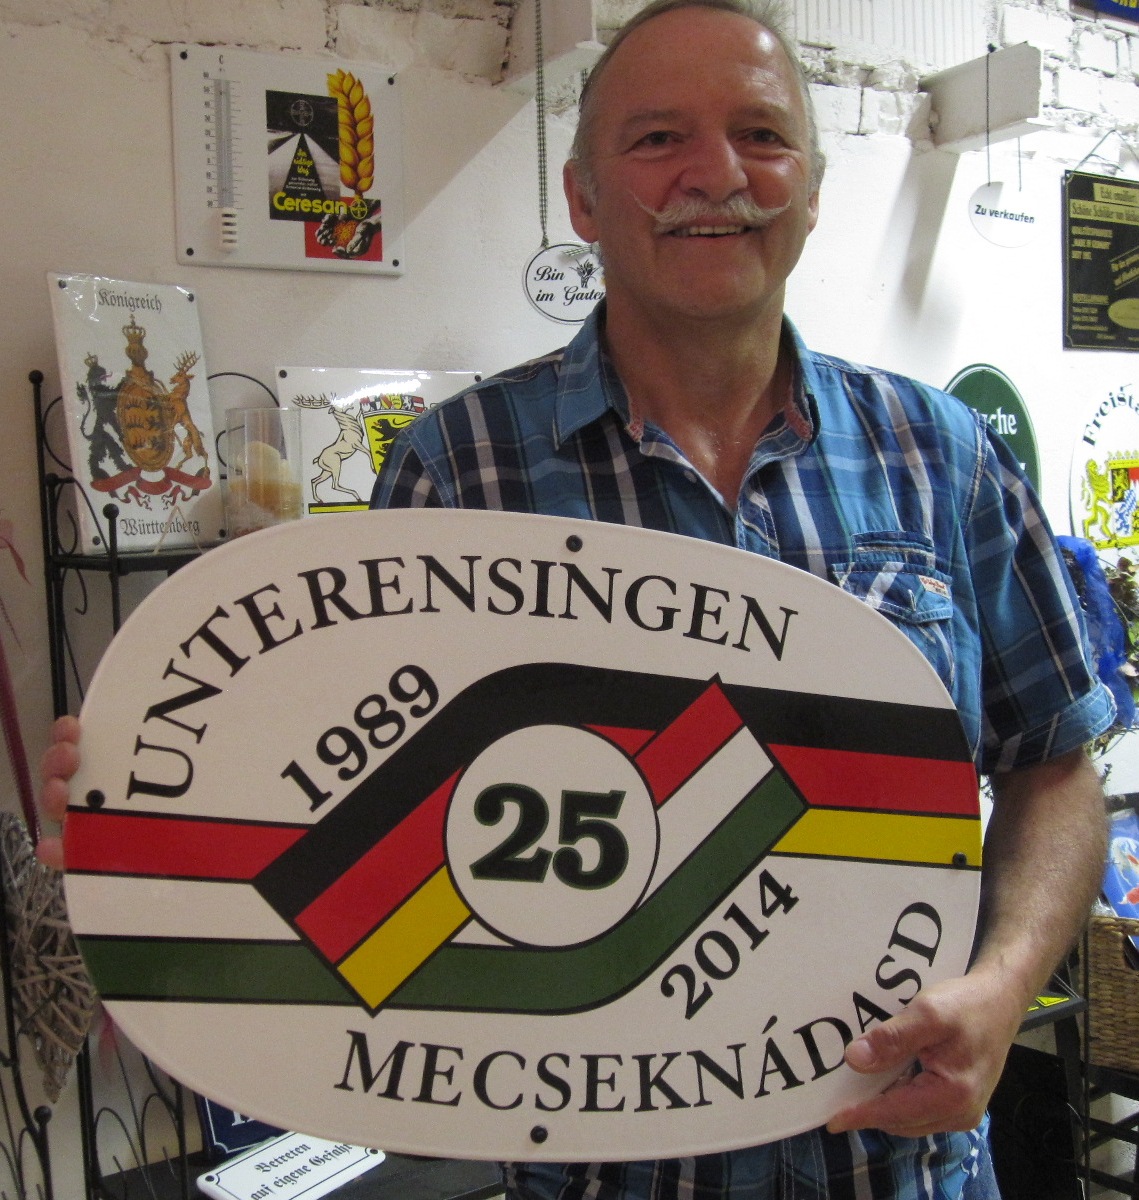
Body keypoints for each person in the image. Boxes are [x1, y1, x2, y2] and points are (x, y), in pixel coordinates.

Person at [40, 1, 1113, 1197]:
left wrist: (1002, 986)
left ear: (811, 189)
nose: (716, 174)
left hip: (900, 1171)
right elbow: (355, 808)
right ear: (583, 200)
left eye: (761, 134)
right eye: (656, 138)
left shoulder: (940, 454)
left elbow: (1053, 768)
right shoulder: (461, 469)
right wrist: (147, 796)